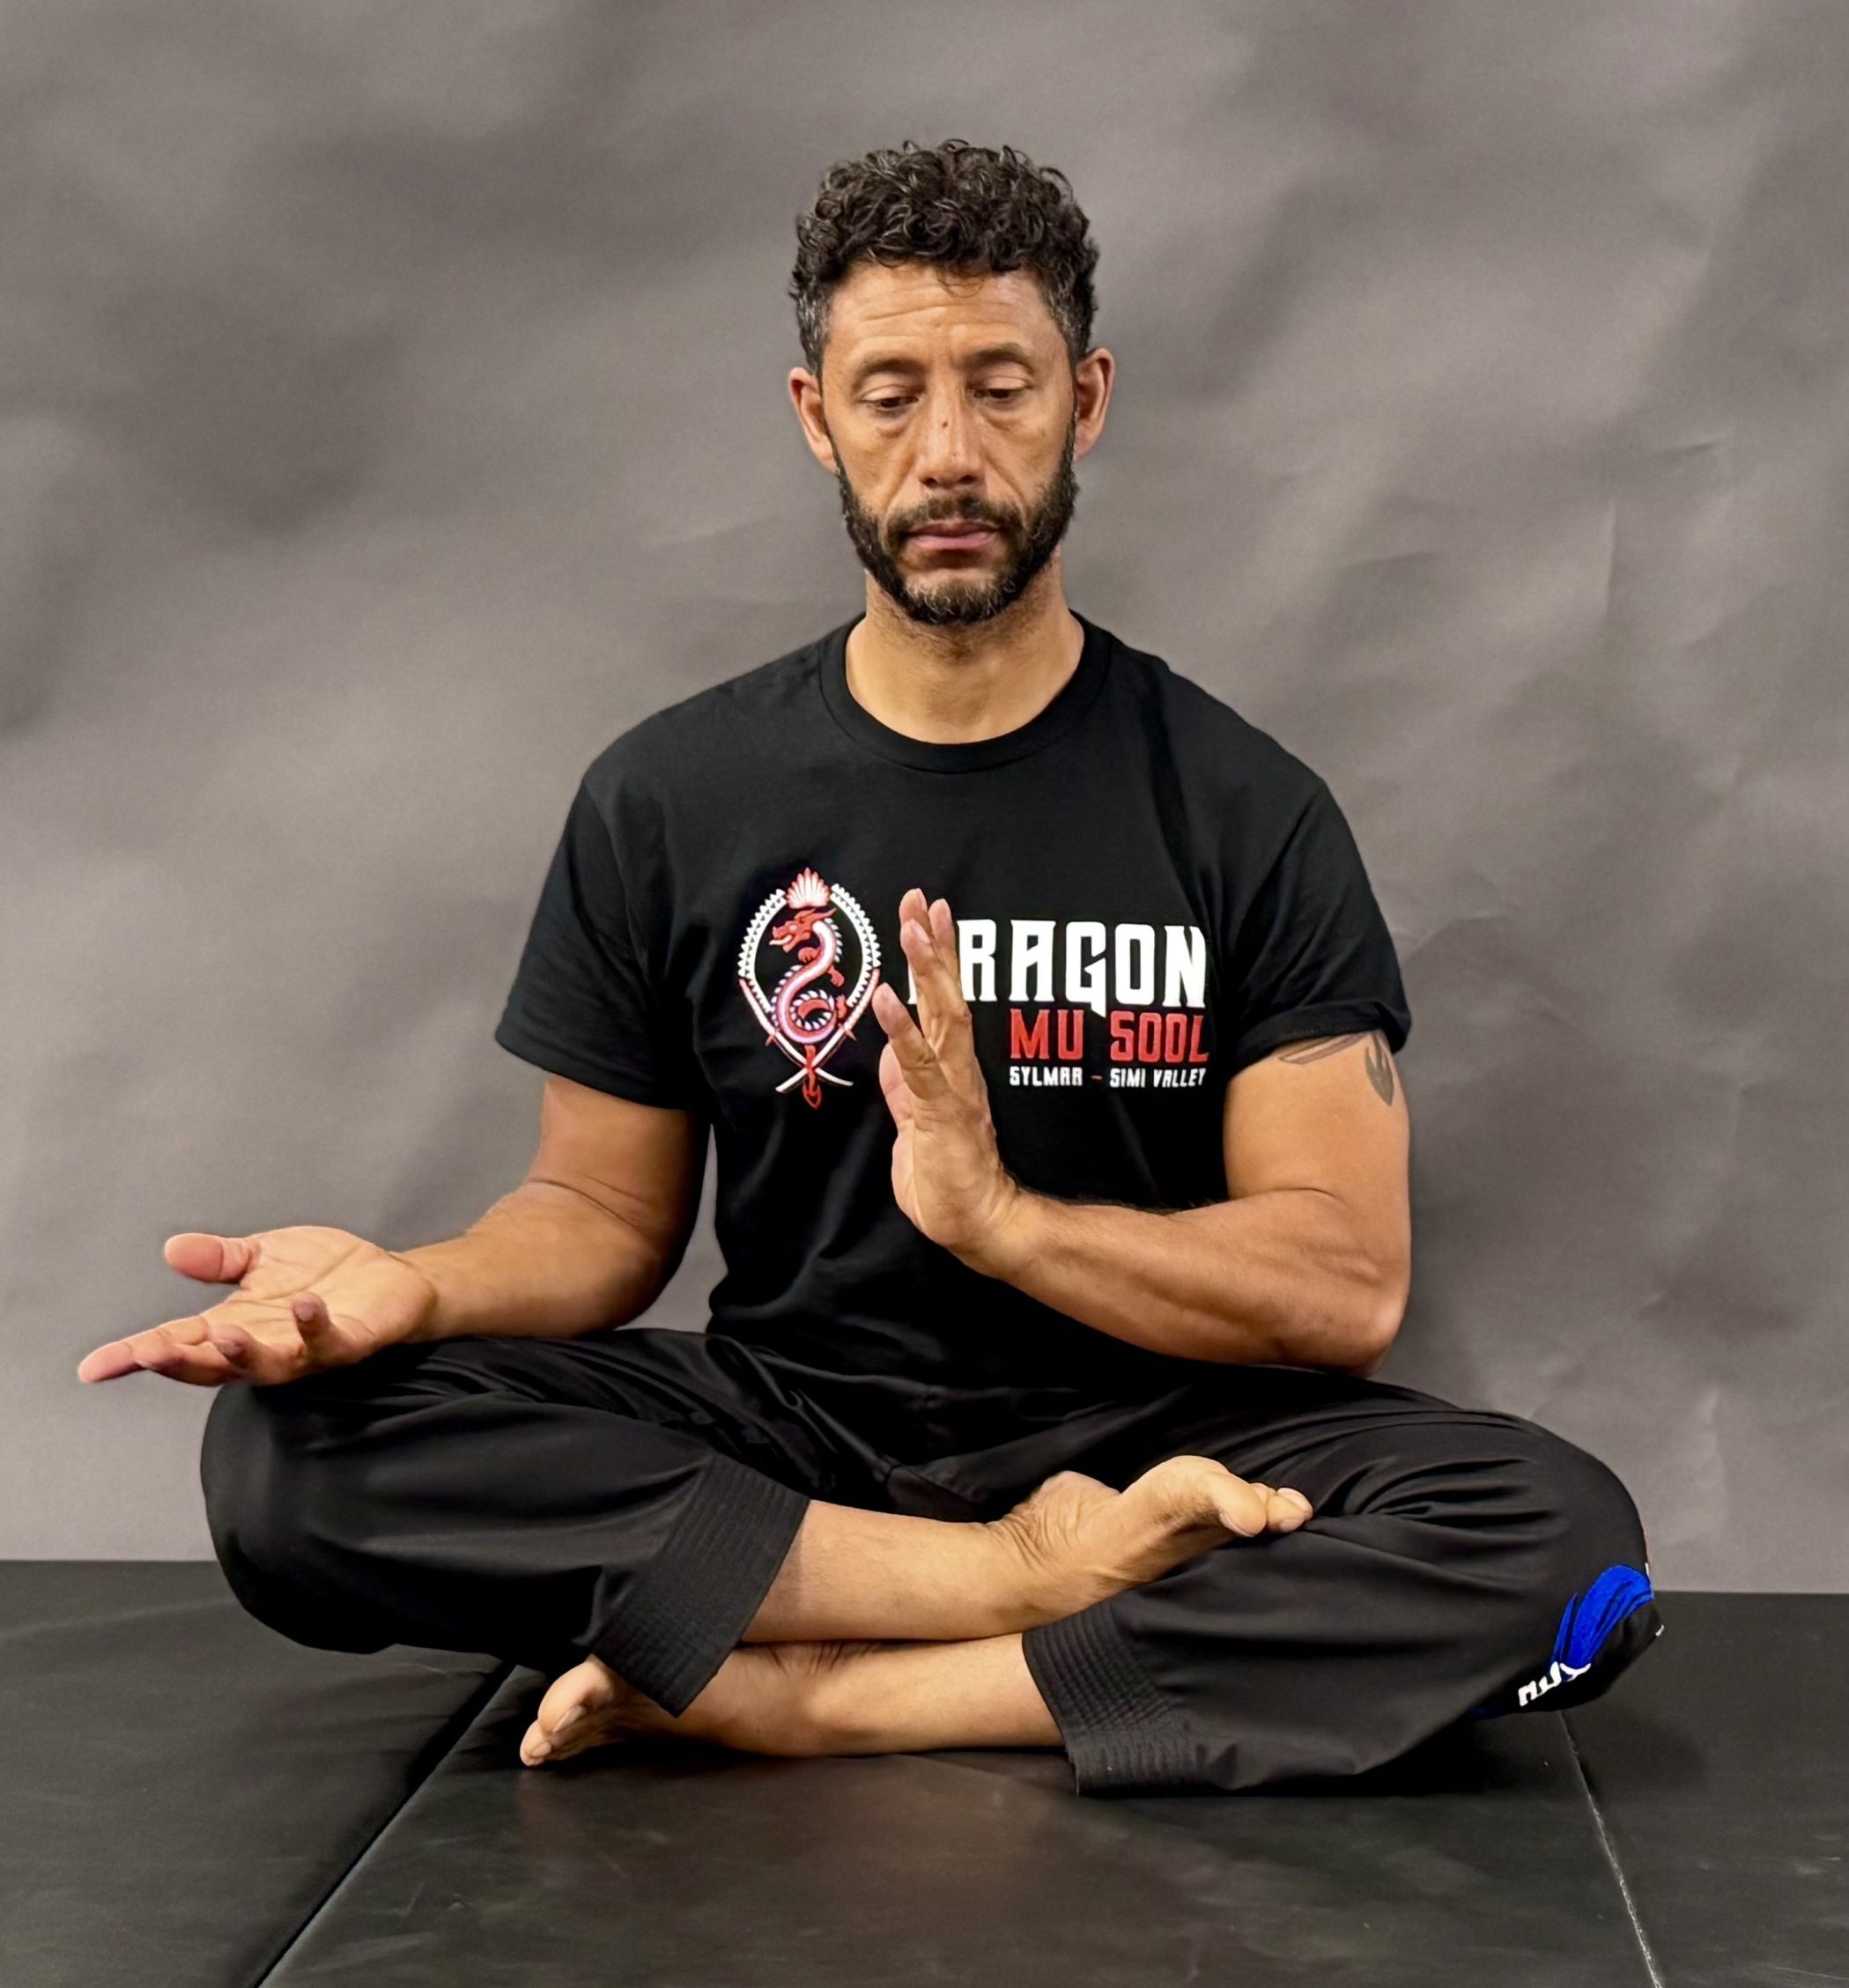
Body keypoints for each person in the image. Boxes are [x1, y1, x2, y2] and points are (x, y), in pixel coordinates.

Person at [79, 139, 1662, 1798]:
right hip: (796, 1439)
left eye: (1002, 386)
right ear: (815, 415)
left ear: (1090, 397)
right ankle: (1003, 1598)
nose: (951, 454)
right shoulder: (673, 795)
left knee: (1567, 1549)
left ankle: (822, 1696)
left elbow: (1343, 1284)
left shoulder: (1243, 811)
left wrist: (1011, 1225)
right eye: (891, 394)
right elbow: (608, 1223)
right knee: (290, 1457)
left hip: (1154, 1444)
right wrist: (418, 1282)